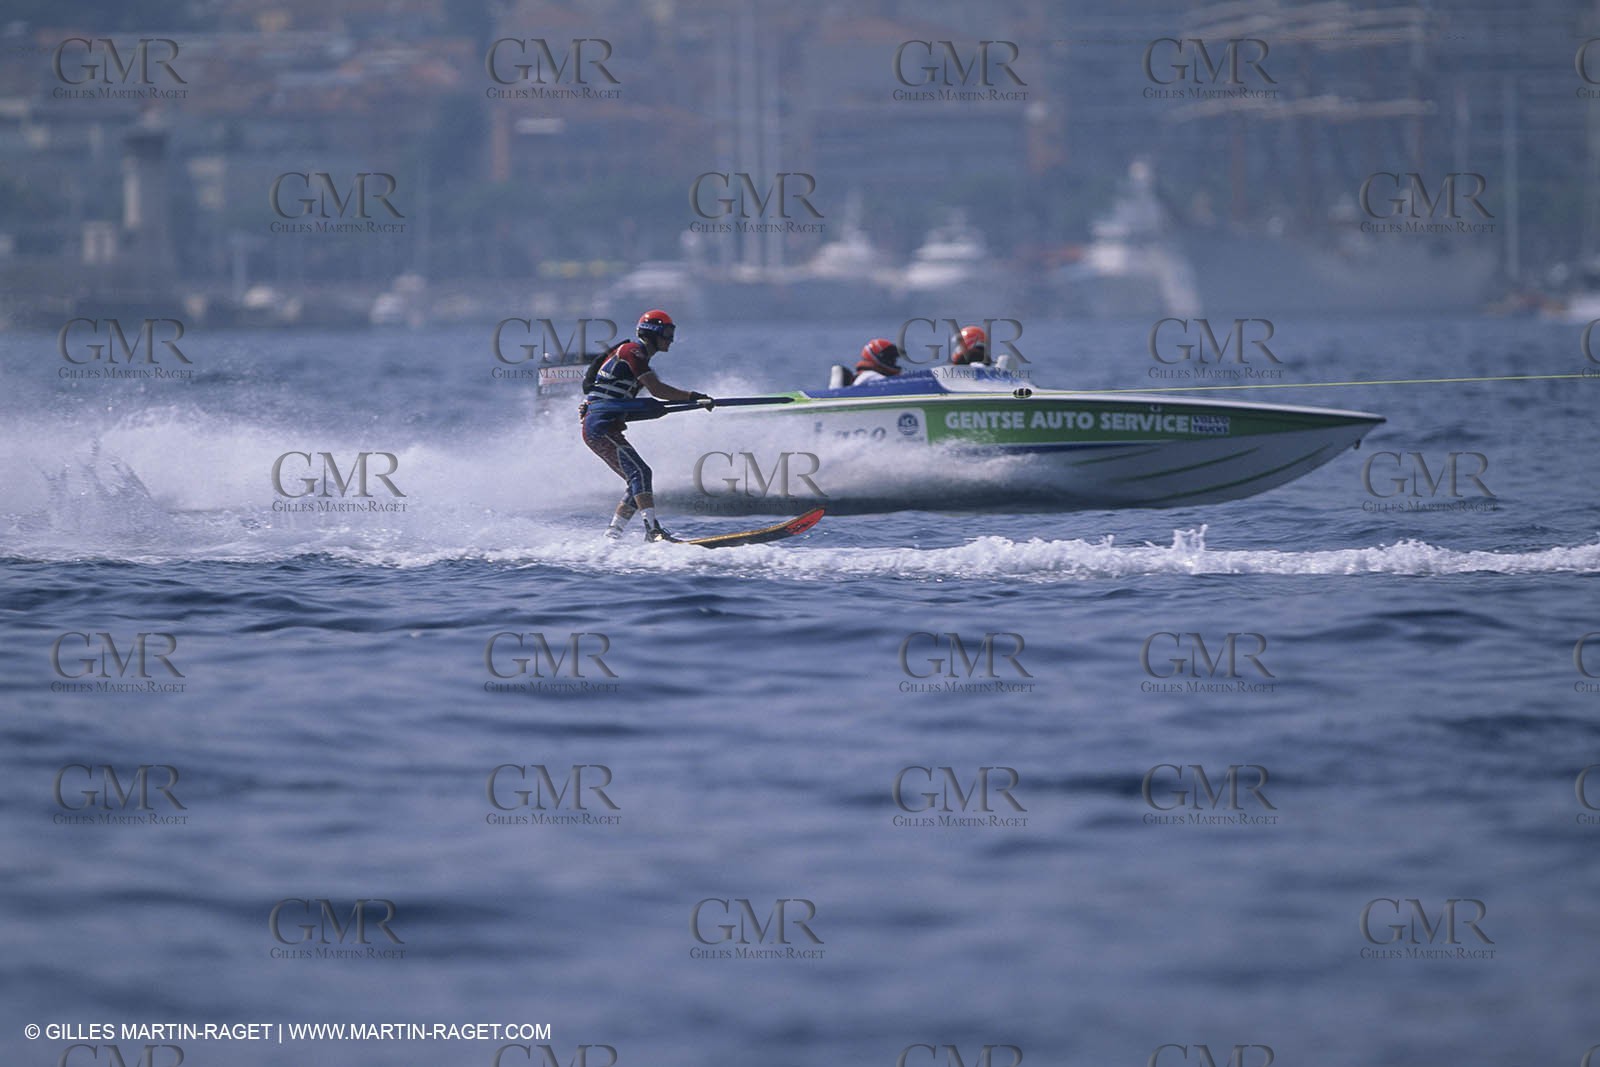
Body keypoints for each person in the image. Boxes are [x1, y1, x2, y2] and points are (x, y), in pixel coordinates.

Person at [580, 309, 713, 542]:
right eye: (667, 333)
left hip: (603, 426)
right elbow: (658, 391)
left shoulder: (637, 357)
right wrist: (695, 396)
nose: (670, 339)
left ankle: (612, 537)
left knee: (637, 480)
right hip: (599, 427)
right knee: (641, 473)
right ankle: (653, 531)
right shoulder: (633, 351)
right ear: (652, 334)